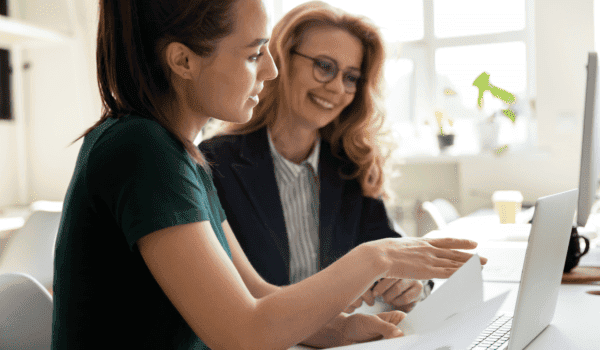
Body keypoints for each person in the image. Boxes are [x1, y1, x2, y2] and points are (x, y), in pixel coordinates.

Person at [52, 0, 486, 349]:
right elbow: (243, 333)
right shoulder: (142, 151)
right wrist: (378, 257)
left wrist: (342, 330)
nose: (270, 70)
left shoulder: (179, 155)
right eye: (255, 53)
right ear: (183, 60)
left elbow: (258, 293)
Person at [200, 1, 429, 313]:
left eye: (351, 77)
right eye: (324, 66)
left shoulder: (350, 164)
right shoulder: (214, 162)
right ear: (281, 59)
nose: (336, 87)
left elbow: (392, 247)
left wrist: (413, 281)